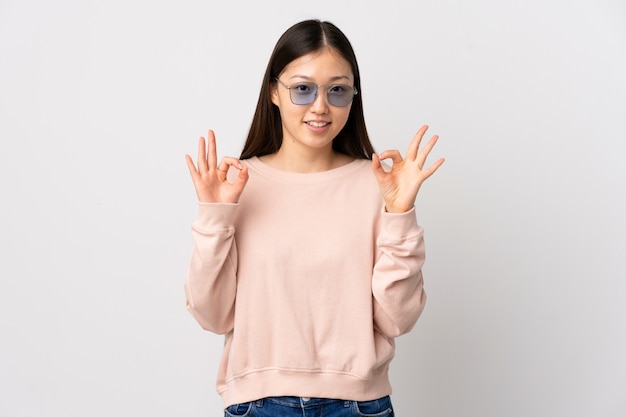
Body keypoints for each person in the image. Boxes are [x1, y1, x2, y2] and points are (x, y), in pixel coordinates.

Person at [184, 19, 444, 417]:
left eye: (337, 90)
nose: (320, 106)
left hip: (358, 406)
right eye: (302, 88)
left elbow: (397, 319)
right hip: (258, 405)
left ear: (353, 97)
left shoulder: (377, 185)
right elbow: (211, 314)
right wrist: (216, 215)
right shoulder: (238, 185)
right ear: (274, 91)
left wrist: (399, 213)